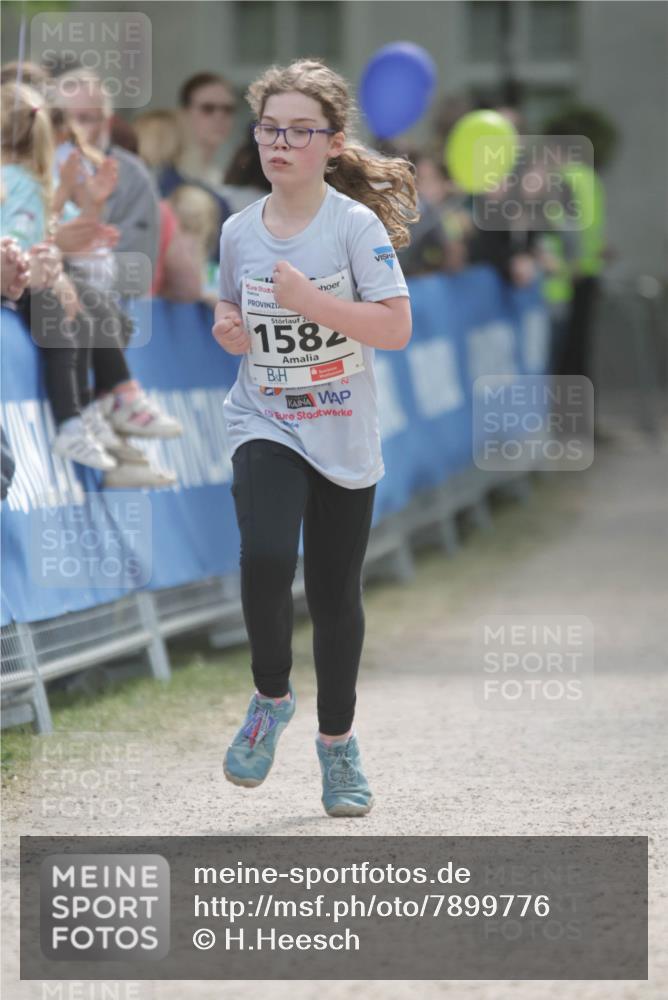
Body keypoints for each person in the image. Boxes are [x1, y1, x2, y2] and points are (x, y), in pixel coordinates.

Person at [213, 58, 416, 817]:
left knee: (334, 597)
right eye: (270, 128)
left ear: (332, 143)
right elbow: (230, 311)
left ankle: (338, 745)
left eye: (300, 130)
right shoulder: (238, 230)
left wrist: (311, 303)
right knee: (266, 556)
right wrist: (228, 327)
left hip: (342, 427)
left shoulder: (354, 227)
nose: (280, 143)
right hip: (265, 416)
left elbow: (395, 327)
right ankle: (270, 698)